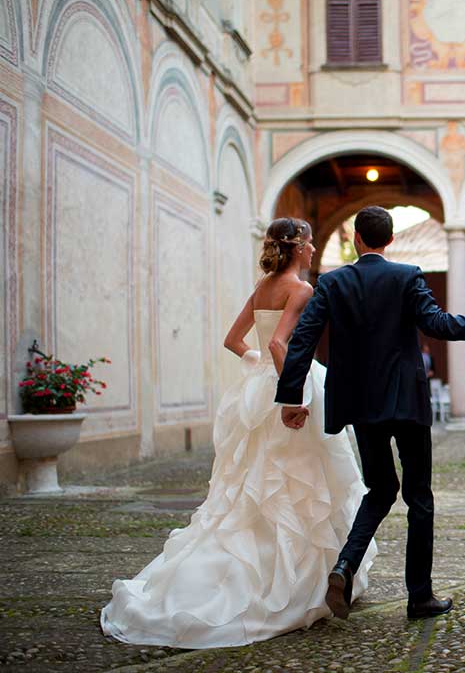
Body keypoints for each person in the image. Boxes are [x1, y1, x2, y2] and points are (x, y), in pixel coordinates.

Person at [101, 218, 378, 648]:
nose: (312, 250)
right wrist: (290, 395)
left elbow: (234, 340)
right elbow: (277, 343)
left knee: (257, 482)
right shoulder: (300, 289)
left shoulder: (261, 288)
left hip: (259, 389)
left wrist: (260, 371)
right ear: (300, 248)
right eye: (309, 244)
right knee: (301, 481)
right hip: (292, 388)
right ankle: (292, 582)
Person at [275, 206, 465, 621]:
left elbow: (302, 339)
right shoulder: (407, 275)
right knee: (419, 499)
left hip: (361, 406)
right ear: (390, 241)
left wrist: (290, 398)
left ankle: (344, 566)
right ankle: (420, 597)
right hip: (407, 404)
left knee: (379, 490)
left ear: (357, 239)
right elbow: (438, 324)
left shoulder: (333, 282)